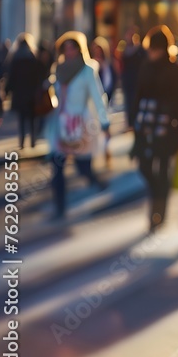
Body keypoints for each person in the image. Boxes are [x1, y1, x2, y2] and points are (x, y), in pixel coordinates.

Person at [45, 32, 111, 219]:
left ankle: (95, 181)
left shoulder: (87, 70)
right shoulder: (58, 69)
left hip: (80, 124)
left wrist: (105, 123)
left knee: (83, 167)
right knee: (57, 167)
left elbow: (97, 97)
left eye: (73, 47)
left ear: (79, 49)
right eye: (66, 48)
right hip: (60, 123)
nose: (69, 51)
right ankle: (60, 208)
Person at [132, 26, 178, 233]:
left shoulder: (175, 68)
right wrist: (133, 120)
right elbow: (138, 93)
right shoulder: (146, 66)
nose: (152, 53)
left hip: (167, 127)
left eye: (154, 49)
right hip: (146, 124)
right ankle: (157, 197)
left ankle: (158, 213)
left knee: (164, 168)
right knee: (145, 166)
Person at [4, 34, 46, 149]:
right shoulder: (34, 58)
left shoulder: (15, 58)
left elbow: (11, 77)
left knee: (21, 119)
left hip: (19, 94)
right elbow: (40, 76)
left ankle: (22, 142)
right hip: (32, 94)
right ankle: (33, 140)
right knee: (32, 119)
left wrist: (7, 90)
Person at [120, 29, 146, 129]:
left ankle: (136, 121)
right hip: (127, 80)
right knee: (128, 101)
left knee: (136, 101)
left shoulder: (140, 51)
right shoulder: (124, 50)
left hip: (137, 80)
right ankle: (130, 123)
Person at [91, 37, 118, 106]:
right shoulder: (90, 66)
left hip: (107, 95)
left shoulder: (109, 64)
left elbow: (112, 79)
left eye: (100, 51)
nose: (98, 54)